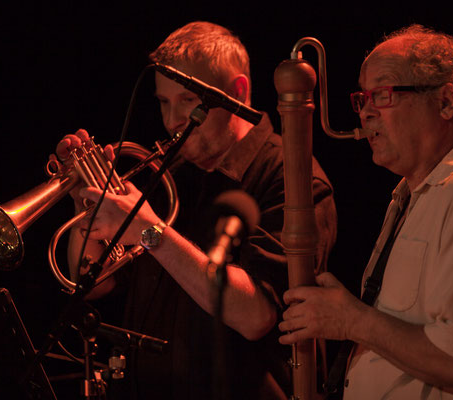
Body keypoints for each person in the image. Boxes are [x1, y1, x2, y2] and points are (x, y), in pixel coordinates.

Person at [56, 21, 337, 399]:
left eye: (189, 101)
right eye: (163, 102)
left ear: (238, 91)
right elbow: (93, 281)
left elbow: (257, 315)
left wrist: (148, 230)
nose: (172, 121)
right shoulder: (169, 174)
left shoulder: (291, 177)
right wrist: (87, 201)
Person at [279, 24, 453, 399]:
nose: (366, 114)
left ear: (446, 102)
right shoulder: (418, 192)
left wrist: (350, 320)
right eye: (363, 98)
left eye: (382, 94)